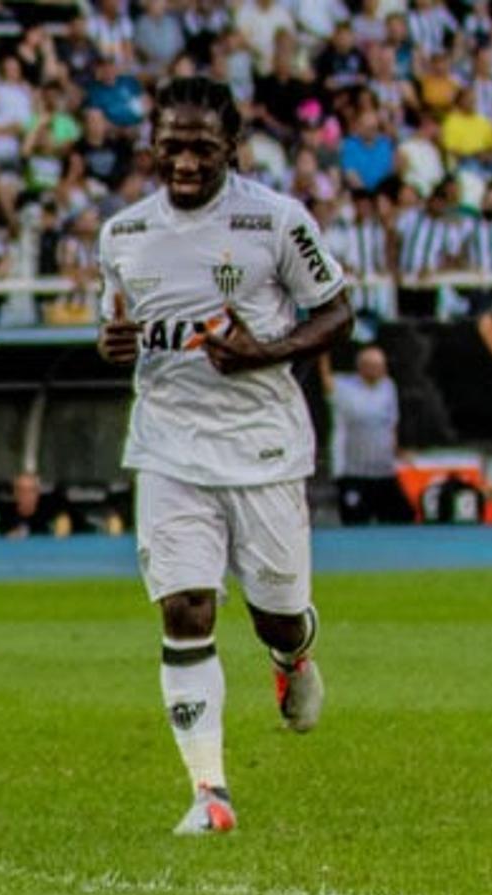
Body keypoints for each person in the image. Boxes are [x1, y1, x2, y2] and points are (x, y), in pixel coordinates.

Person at [97, 78, 354, 836]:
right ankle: (210, 793)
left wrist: (268, 352)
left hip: (263, 445)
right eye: (171, 145)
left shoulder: (274, 220)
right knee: (185, 607)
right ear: (152, 145)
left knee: (278, 615)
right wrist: (110, 344)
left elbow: (339, 309)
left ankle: (291, 662)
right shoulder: (122, 236)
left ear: (230, 148)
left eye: (201, 147)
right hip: (170, 445)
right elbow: (121, 328)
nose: (184, 161)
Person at [321, 346, 411, 525]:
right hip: (353, 473)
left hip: (384, 471)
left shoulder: (388, 386)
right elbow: (326, 380)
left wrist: (397, 450)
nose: (379, 369)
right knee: (356, 522)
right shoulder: (343, 387)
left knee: (402, 517)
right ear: (361, 366)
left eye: (381, 365)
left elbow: (391, 424)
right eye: (373, 365)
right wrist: (323, 353)